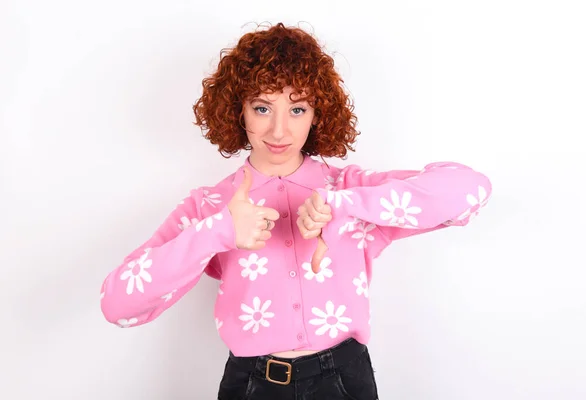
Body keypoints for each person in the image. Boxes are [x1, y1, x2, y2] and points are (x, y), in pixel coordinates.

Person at [100, 22, 492, 399]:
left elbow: (470, 189)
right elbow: (118, 305)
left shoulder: (348, 189)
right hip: (250, 385)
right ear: (238, 110)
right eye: (263, 108)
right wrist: (218, 231)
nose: (279, 132)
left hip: (345, 382)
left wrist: (344, 206)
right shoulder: (211, 206)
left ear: (319, 112)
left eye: (298, 109)